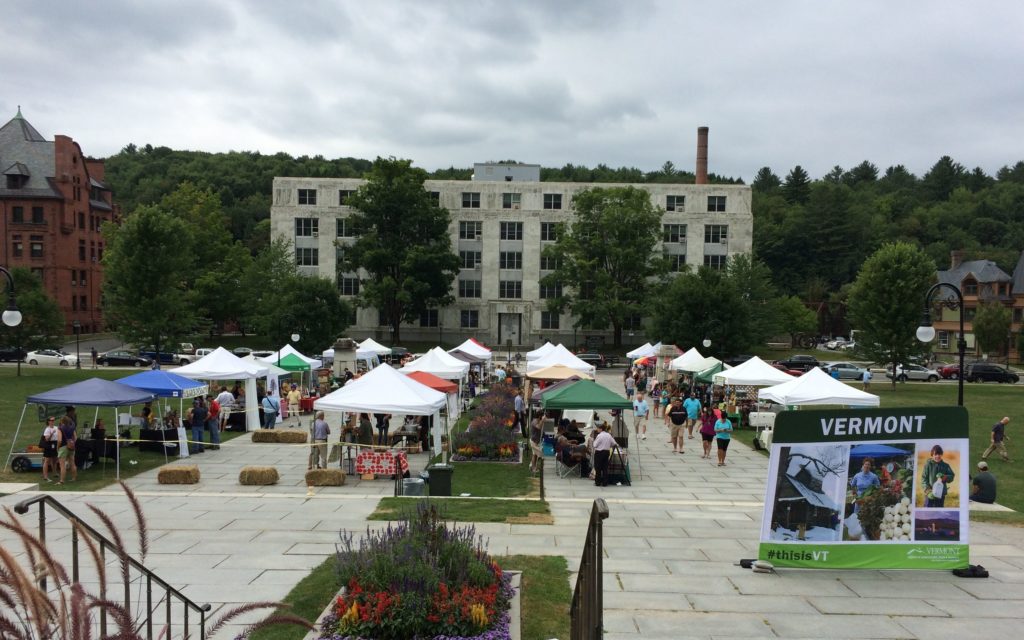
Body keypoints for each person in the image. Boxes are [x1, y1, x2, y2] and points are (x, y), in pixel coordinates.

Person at [591, 422, 615, 487]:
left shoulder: (599, 436)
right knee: (605, 468)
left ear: (601, 429)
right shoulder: (609, 435)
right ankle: (605, 482)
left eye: (598, 428)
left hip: (599, 453)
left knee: (598, 468)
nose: (597, 429)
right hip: (606, 452)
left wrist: (594, 441)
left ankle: (598, 482)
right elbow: (614, 443)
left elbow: (595, 445)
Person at [56, 416, 77, 484]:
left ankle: (62, 481)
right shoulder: (72, 427)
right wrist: (72, 443)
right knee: (72, 463)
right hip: (71, 446)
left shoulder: (60, 428)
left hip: (63, 447)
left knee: (62, 465)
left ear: (62, 421)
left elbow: (59, 440)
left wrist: (57, 447)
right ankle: (74, 478)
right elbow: (75, 437)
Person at [41, 416, 59, 482]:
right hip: (49, 445)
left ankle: (55, 472)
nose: (53, 421)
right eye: (51, 420)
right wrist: (51, 433)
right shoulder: (47, 429)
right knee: (47, 460)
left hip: (55, 444)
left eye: (53, 420)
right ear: (48, 421)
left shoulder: (56, 427)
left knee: (55, 459)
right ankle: (45, 476)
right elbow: (47, 439)